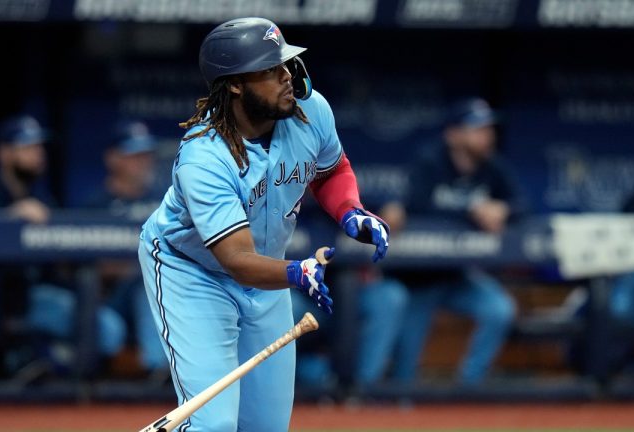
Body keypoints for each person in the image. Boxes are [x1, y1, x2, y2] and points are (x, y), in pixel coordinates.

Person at [137, 17, 389, 431]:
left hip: (268, 270)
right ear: (235, 84)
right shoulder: (205, 157)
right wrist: (295, 272)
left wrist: (350, 210)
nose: (287, 77)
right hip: (193, 273)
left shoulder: (310, 111)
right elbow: (236, 259)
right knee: (212, 424)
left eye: (286, 65)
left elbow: (329, 169)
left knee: (266, 426)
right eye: (270, 70)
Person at [0, 115, 125, 377]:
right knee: (14, 281)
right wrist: (9, 220)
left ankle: (44, 362)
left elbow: (57, 264)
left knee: (109, 329)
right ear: (5, 153)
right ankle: (23, 358)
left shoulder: (44, 200)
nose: (37, 154)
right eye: (28, 147)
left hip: (32, 296)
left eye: (39, 148)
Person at [387, 98, 524, 385]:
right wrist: (471, 211)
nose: (486, 136)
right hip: (418, 281)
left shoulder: (492, 167)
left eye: (488, 129)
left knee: (500, 309)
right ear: (453, 134)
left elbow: (523, 205)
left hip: (457, 275)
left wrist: (504, 209)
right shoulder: (429, 161)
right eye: (477, 128)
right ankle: (400, 405)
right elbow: (413, 207)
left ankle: (469, 386)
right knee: (404, 373)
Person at [84, 119, 169, 379]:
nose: (143, 162)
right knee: (144, 273)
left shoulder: (163, 204)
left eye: (146, 155)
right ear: (113, 159)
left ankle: (163, 371)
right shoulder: (95, 206)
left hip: (161, 293)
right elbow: (84, 267)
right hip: (109, 300)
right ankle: (159, 370)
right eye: (134, 155)